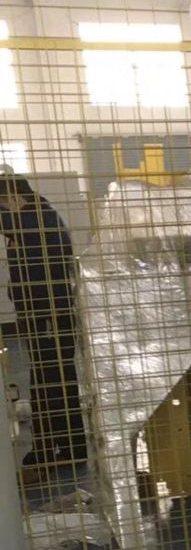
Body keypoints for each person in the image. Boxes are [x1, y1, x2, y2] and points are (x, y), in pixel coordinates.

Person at [0, 173, 87, 478]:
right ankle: (67, 449)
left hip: (48, 316)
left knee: (51, 383)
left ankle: (51, 452)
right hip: (43, 314)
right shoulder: (38, 215)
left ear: (13, 198)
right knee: (54, 380)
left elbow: (7, 225)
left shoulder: (35, 219)